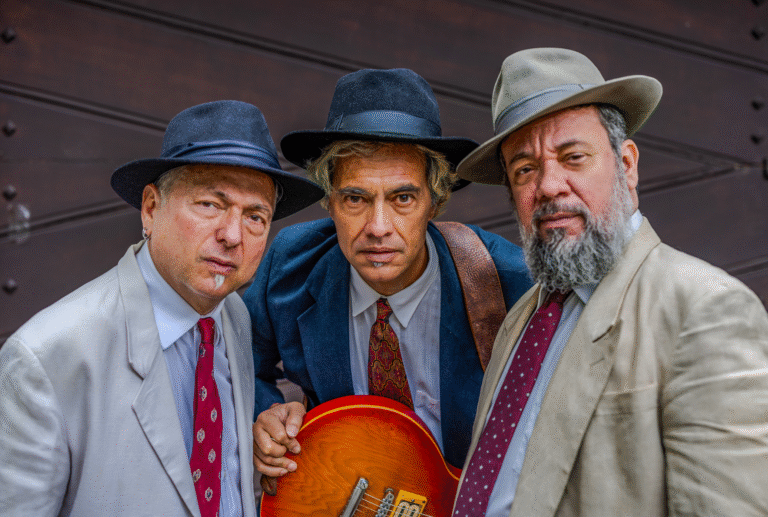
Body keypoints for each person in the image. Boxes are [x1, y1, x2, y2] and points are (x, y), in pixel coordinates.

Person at [452, 48, 768, 516]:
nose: (550, 185)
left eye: (574, 157)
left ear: (627, 163)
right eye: (525, 169)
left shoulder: (704, 307)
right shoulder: (523, 316)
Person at [0, 100, 324, 516]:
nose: (231, 235)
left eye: (255, 216)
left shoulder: (233, 319)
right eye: (210, 204)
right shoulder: (46, 357)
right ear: (151, 208)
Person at [243, 68, 533, 482]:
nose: (378, 227)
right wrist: (267, 415)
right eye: (355, 198)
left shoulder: (508, 281)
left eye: (402, 198)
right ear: (329, 202)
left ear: (434, 202)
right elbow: (236, 360)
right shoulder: (291, 265)